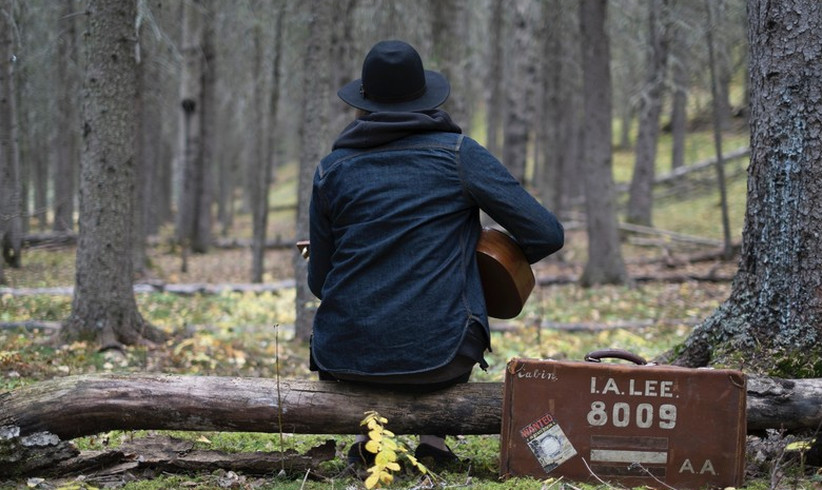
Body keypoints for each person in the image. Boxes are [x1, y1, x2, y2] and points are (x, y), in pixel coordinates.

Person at [307, 40, 564, 468]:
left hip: (345, 356)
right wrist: (484, 258)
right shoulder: (460, 156)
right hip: (440, 356)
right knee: (442, 310)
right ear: (424, 97)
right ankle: (433, 441)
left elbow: (319, 282)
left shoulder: (330, 170)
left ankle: (373, 439)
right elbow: (546, 233)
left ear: (364, 103)